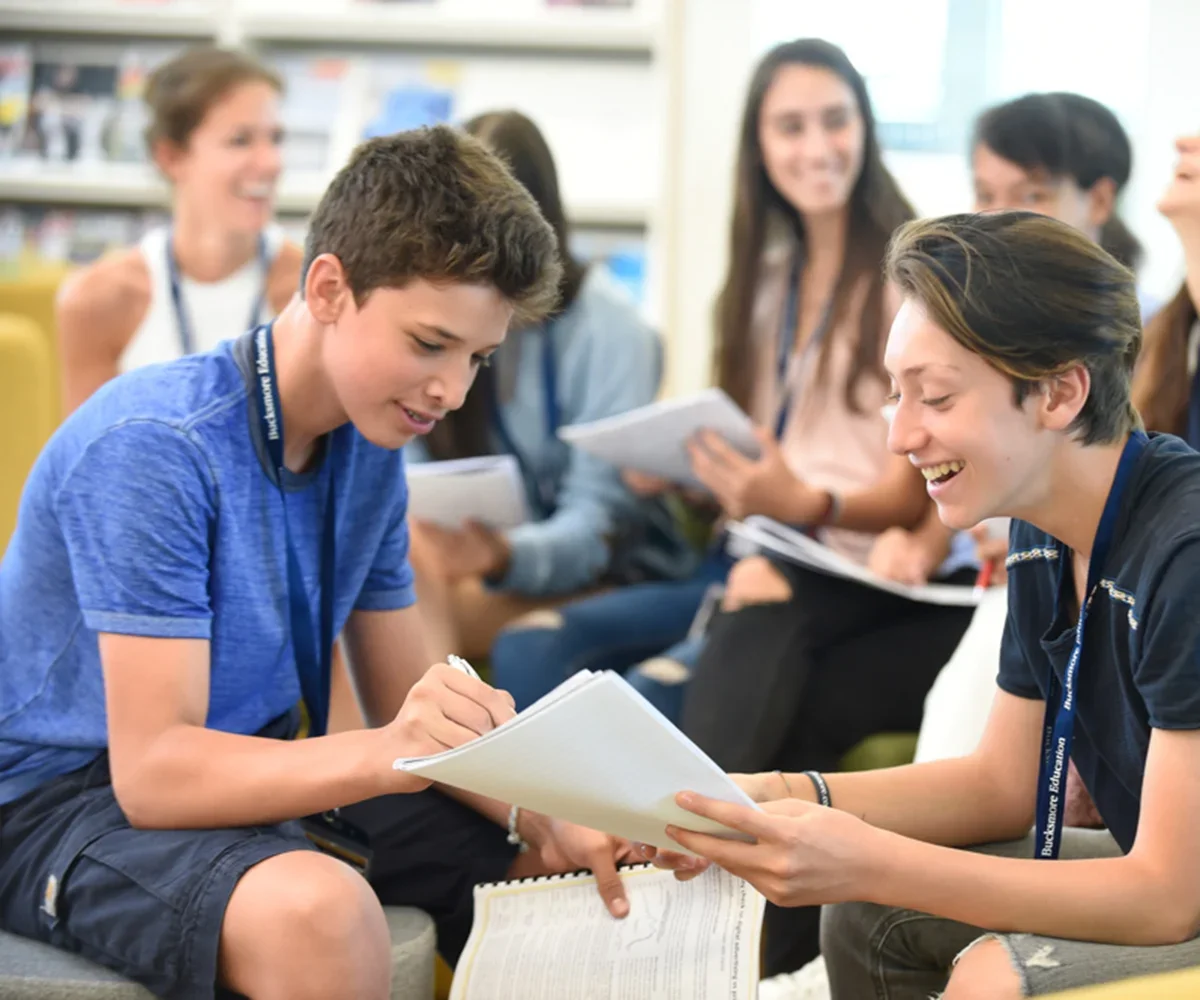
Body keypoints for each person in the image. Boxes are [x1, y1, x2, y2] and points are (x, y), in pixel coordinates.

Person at [0, 127, 635, 1000]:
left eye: (477, 358)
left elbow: (412, 699)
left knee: (564, 869)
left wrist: (547, 811)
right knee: (321, 914)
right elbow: (152, 776)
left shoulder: (367, 448)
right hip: (64, 802)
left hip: (248, 774)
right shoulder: (155, 447)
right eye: (428, 343)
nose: (453, 389)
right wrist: (392, 753)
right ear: (330, 286)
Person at [648, 210, 1200, 999]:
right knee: (867, 911)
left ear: (1058, 392)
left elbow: (1168, 893)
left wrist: (872, 856)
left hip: (1178, 886)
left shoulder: (1185, 553)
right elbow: (999, 785)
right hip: (1169, 876)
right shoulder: (1042, 534)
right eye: (896, 396)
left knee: (986, 970)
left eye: (934, 398)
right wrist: (777, 795)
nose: (902, 438)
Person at [489, 40, 975, 742]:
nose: (816, 147)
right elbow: (758, 449)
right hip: (746, 550)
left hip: (844, 569)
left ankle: (612, 843)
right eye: (791, 127)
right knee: (527, 644)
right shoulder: (762, 283)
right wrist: (691, 474)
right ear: (759, 146)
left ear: (866, 129)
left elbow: (913, 491)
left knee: (639, 704)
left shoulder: (910, 284)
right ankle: (541, 843)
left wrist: (802, 502)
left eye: (834, 120)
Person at [404, 109, 691, 663]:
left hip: (617, 572)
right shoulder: (440, 320)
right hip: (483, 565)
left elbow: (596, 531)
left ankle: (415, 748)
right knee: (387, 583)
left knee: (387, 623)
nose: (471, 263)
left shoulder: (611, 330)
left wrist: (501, 555)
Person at [55, 46, 303, 415]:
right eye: (240, 140)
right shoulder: (97, 301)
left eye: (275, 139)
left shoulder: (314, 291)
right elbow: (89, 464)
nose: (271, 162)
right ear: (170, 157)